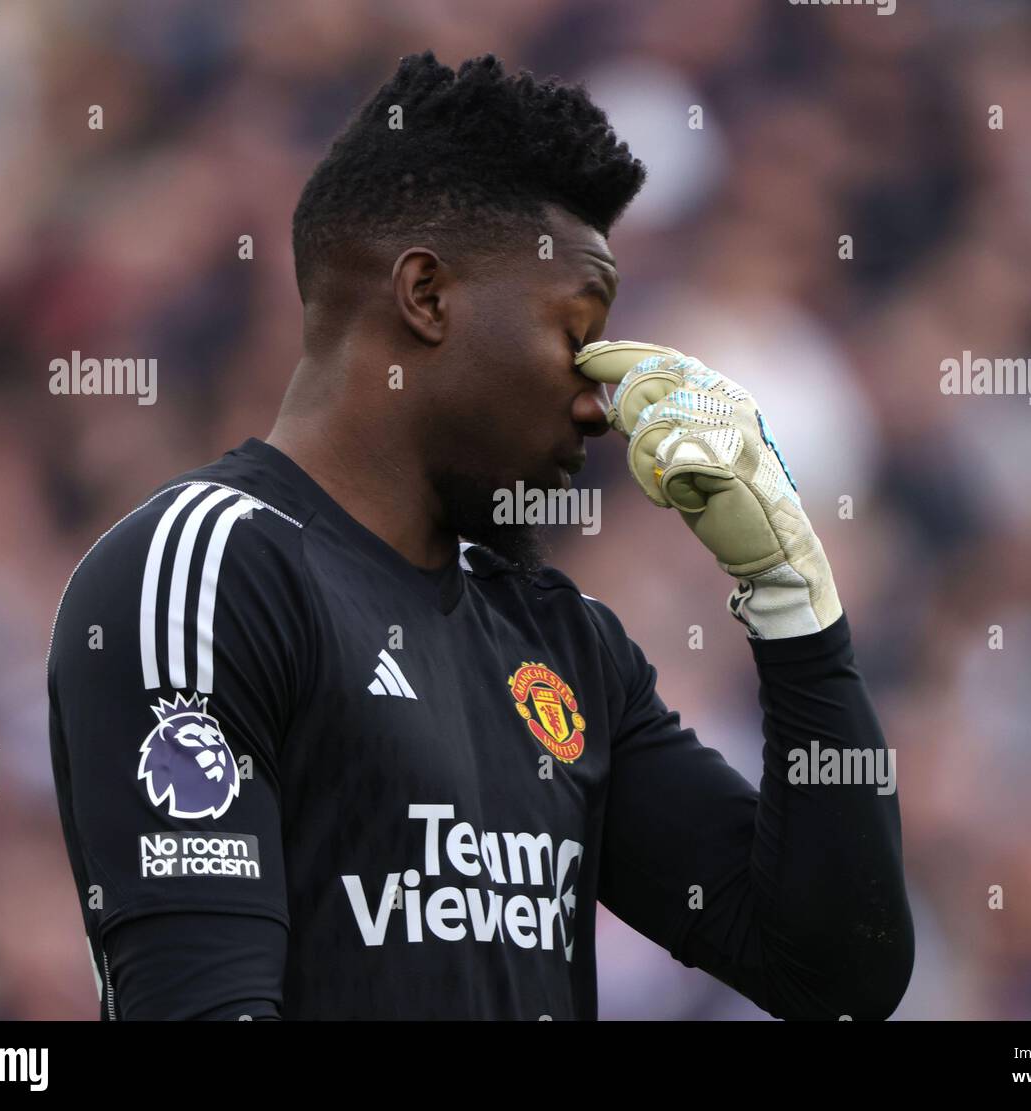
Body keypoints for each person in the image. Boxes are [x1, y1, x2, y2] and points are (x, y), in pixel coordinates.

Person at [47, 50, 912, 1020]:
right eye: (575, 335)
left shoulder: (562, 643)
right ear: (426, 297)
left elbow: (837, 974)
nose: (598, 402)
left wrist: (792, 597)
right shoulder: (209, 573)